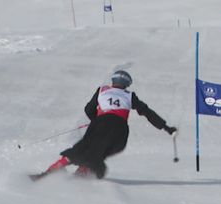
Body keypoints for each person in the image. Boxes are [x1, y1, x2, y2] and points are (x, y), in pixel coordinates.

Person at [31, 70, 178, 180]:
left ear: (113, 81)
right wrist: (166, 128)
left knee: (82, 149)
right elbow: (148, 113)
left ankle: (48, 174)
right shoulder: (129, 96)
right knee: (100, 152)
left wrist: (96, 120)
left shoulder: (102, 91)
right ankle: (81, 175)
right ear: (127, 85)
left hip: (100, 124)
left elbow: (89, 109)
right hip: (119, 130)